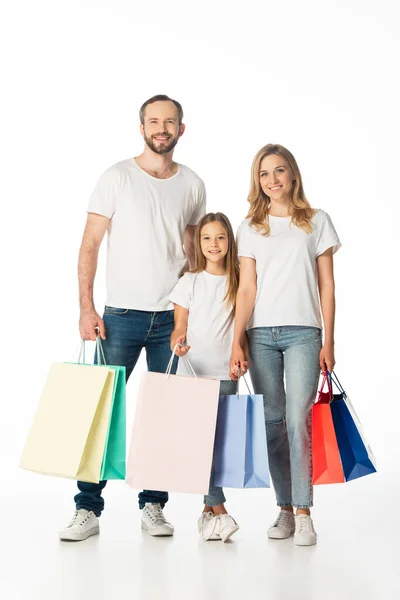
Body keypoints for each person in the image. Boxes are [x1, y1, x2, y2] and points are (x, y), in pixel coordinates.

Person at [59, 95, 206, 542]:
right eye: (153, 121)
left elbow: (194, 253)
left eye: (170, 122)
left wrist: (195, 313)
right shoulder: (117, 177)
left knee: (164, 416)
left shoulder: (193, 184)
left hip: (172, 318)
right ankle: (87, 508)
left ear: (182, 129)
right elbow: (89, 245)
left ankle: (154, 506)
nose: (161, 128)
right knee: (101, 412)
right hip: (119, 315)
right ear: (141, 127)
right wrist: (87, 307)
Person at [231, 144, 341, 546]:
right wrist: (236, 340)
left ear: (293, 175)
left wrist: (329, 339)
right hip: (260, 335)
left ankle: (304, 512)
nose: (272, 180)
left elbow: (327, 283)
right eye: (264, 174)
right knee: (273, 422)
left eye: (279, 171)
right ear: (256, 181)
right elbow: (247, 288)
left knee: (298, 419)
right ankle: (284, 509)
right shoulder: (250, 228)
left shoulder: (316, 221)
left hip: (303, 333)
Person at [169, 212, 240, 542]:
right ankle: (221, 510)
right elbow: (178, 330)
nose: (214, 244)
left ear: (229, 242)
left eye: (221, 237)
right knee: (204, 445)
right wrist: (179, 345)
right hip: (195, 374)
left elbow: (244, 330)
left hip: (227, 373)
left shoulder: (240, 281)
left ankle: (206, 515)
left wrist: (245, 359)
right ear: (199, 243)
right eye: (207, 238)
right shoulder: (190, 281)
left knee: (218, 445)